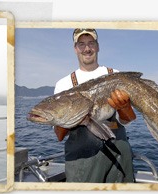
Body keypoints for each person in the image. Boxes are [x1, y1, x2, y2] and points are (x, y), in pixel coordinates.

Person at [52, 28, 136, 183]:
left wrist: (124, 107)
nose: (87, 48)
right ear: (75, 48)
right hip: (82, 160)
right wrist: (71, 115)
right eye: (81, 44)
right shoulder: (63, 84)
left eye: (91, 43)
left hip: (119, 155)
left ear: (98, 46)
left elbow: (128, 120)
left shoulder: (115, 75)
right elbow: (59, 135)